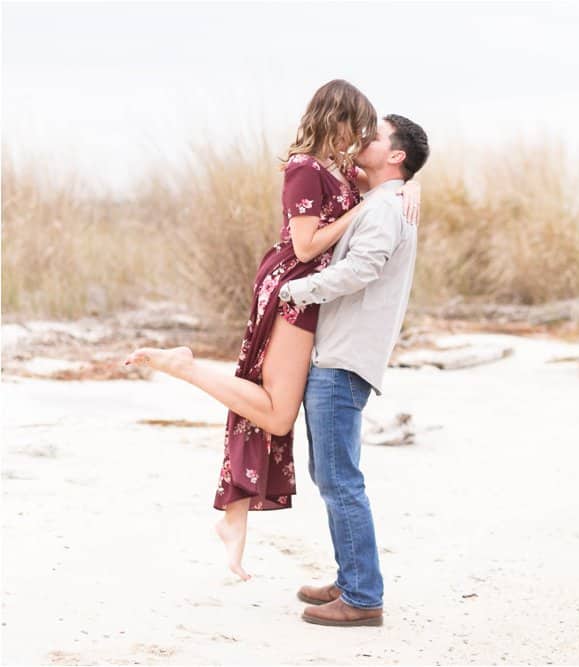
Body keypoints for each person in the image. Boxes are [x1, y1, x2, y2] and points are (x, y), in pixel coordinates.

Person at [123, 80, 421, 582]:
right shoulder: (304, 169)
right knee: (278, 414)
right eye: (360, 126)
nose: (364, 136)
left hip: (309, 293)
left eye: (374, 133)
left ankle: (234, 512)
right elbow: (305, 248)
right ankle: (186, 367)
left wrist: (410, 184)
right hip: (293, 286)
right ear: (339, 119)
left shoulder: (341, 170)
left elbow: (396, 176)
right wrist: (360, 210)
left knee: (274, 411)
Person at [282, 114, 429, 627]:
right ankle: (352, 578)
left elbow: (363, 268)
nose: (364, 139)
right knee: (332, 473)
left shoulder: (387, 208)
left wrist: (299, 290)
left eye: (376, 136)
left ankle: (364, 597)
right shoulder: (387, 200)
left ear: (396, 156)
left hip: (344, 359)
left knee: (340, 478)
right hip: (343, 355)